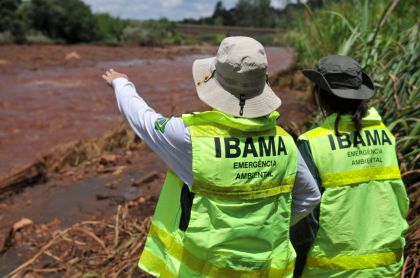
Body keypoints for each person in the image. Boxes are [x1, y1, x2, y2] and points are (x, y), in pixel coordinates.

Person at [102, 36, 320, 277]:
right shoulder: (285, 142)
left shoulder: (191, 139)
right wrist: (266, 230)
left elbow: (144, 120)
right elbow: (310, 197)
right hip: (264, 270)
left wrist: (121, 83)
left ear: (215, 83)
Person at [293, 55, 409, 277]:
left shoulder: (313, 143)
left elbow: (306, 218)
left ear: (320, 96)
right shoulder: (385, 137)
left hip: (332, 271)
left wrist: (297, 267)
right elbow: (399, 200)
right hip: (386, 267)